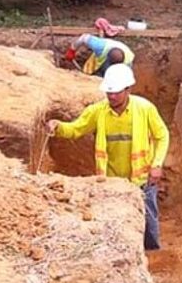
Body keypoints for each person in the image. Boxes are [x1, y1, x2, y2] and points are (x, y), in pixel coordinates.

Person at [47, 64, 169, 250]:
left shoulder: (145, 109)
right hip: (111, 182)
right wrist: (59, 127)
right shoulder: (98, 111)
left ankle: (152, 253)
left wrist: (157, 164)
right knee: (118, 223)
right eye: (108, 92)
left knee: (148, 219)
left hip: (142, 179)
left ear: (128, 89)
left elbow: (162, 136)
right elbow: (76, 129)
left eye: (116, 92)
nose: (111, 96)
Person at [66, 17, 134, 77]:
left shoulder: (127, 62)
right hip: (101, 60)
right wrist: (72, 50)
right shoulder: (100, 46)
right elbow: (84, 38)